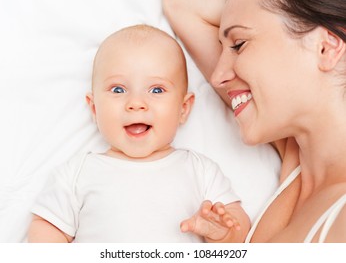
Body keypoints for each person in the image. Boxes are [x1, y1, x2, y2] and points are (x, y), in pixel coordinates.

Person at [27, 24, 250, 243]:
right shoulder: (77, 173)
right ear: (95, 108)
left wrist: (222, 232)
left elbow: (239, 226)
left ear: (183, 108)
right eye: (118, 90)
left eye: (156, 90)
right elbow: (46, 226)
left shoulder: (200, 170)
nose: (136, 103)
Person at [163, 0, 346, 242]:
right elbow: (183, 0)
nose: (217, 77)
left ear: (326, 47)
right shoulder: (299, 164)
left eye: (238, 44)